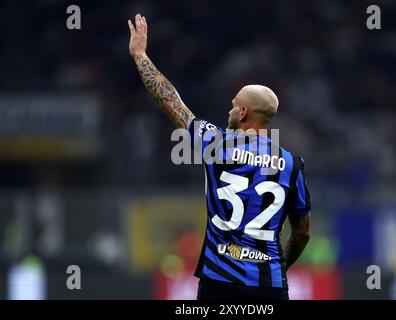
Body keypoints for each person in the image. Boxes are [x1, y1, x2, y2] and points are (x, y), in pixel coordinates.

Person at [128, 14, 311, 300]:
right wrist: (279, 268)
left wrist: (139, 55)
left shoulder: (216, 144)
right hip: (270, 286)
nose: (229, 111)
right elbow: (301, 234)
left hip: (219, 283)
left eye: (233, 105)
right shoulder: (292, 165)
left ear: (244, 113)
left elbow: (170, 101)